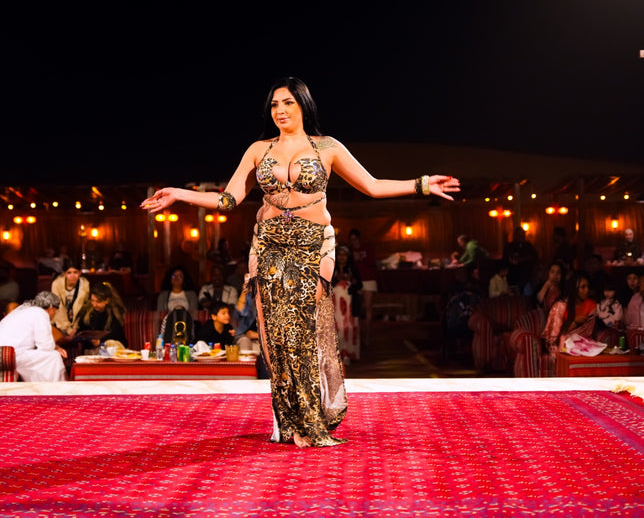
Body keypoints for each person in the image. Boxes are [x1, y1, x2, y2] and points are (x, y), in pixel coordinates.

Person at [141, 76, 460, 448]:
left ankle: (311, 418)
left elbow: (372, 186)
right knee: (275, 337)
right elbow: (228, 200)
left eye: (288, 103)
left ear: (304, 106)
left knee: (302, 333)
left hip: (312, 246)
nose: (280, 110)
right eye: (275, 104)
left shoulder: (327, 147)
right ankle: (290, 422)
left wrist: (421, 184)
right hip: (269, 245)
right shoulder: (259, 149)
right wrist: (179, 194)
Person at [0, 291, 67, 382]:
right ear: (51, 308)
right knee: (54, 356)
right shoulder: (40, 313)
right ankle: (57, 392)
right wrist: (56, 349)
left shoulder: (23, 309)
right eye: (56, 311)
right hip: (4, 356)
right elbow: (46, 347)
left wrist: (55, 347)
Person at [541, 271, 596, 366]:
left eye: (588, 287)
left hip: (583, 344)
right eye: (583, 287)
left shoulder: (590, 305)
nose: (586, 290)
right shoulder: (560, 306)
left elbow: (588, 332)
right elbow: (554, 337)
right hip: (560, 344)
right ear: (574, 289)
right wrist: (574, 323)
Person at [76, 282, 128, 354]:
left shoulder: (114, 312)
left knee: (110, 344)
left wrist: (101, 341)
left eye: (98, 302)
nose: (94, 304)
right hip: (92, 348)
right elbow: (81, 332)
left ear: (107, 300)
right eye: (92, 300)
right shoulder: (86, 312)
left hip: (113, 346)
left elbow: (116, 334)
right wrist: (90, 339)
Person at [332, 244, 362, 365]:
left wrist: (353, 282)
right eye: (339, 255)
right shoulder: (332, 268)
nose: (342, 257)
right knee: (337, 329)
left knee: (349, 329)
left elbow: (359, 285)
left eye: (344, 255)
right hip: (336, 307)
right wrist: (336, 280)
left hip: (349, 307)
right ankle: (337, 354)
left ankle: (349, 353)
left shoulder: (353, 269)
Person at [347, 228, 377, 344]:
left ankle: (367, 336)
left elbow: (373, 262)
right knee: (357, 308)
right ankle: (358, 336)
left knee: (367, 307)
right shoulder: (349, 251)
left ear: (359, 239)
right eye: (351, 240)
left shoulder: (367, 249)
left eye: (355, 239)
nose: (353, 242)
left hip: (368, 279)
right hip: (356, 280)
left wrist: (360, 258)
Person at [51, 259, 90, 338]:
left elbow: (81, 308)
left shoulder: (84, 285)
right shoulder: (56, 284)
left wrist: (75, 329)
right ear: (64, 274)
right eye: (69, 273)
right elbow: (59, 308)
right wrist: (68, 329)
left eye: (75, 272)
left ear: (80, 273)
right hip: (60, 323)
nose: (72, 276)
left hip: (78, 325)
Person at [502, 226, 538, 293]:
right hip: (513, 278)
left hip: (527, 277)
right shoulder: (509, 247)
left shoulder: (528, 246)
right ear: (515, 236)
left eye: (523, 236)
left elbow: (534, 257)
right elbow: (508, 260)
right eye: (519, 236)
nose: (521, 238)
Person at [234, 273, 260, 354]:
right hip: (245, 338)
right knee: (244, 341)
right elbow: (240, 311)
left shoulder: (272, 303)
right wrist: (244, 290)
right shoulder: (249, 299)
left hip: (264, 340)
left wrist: (257, 335)